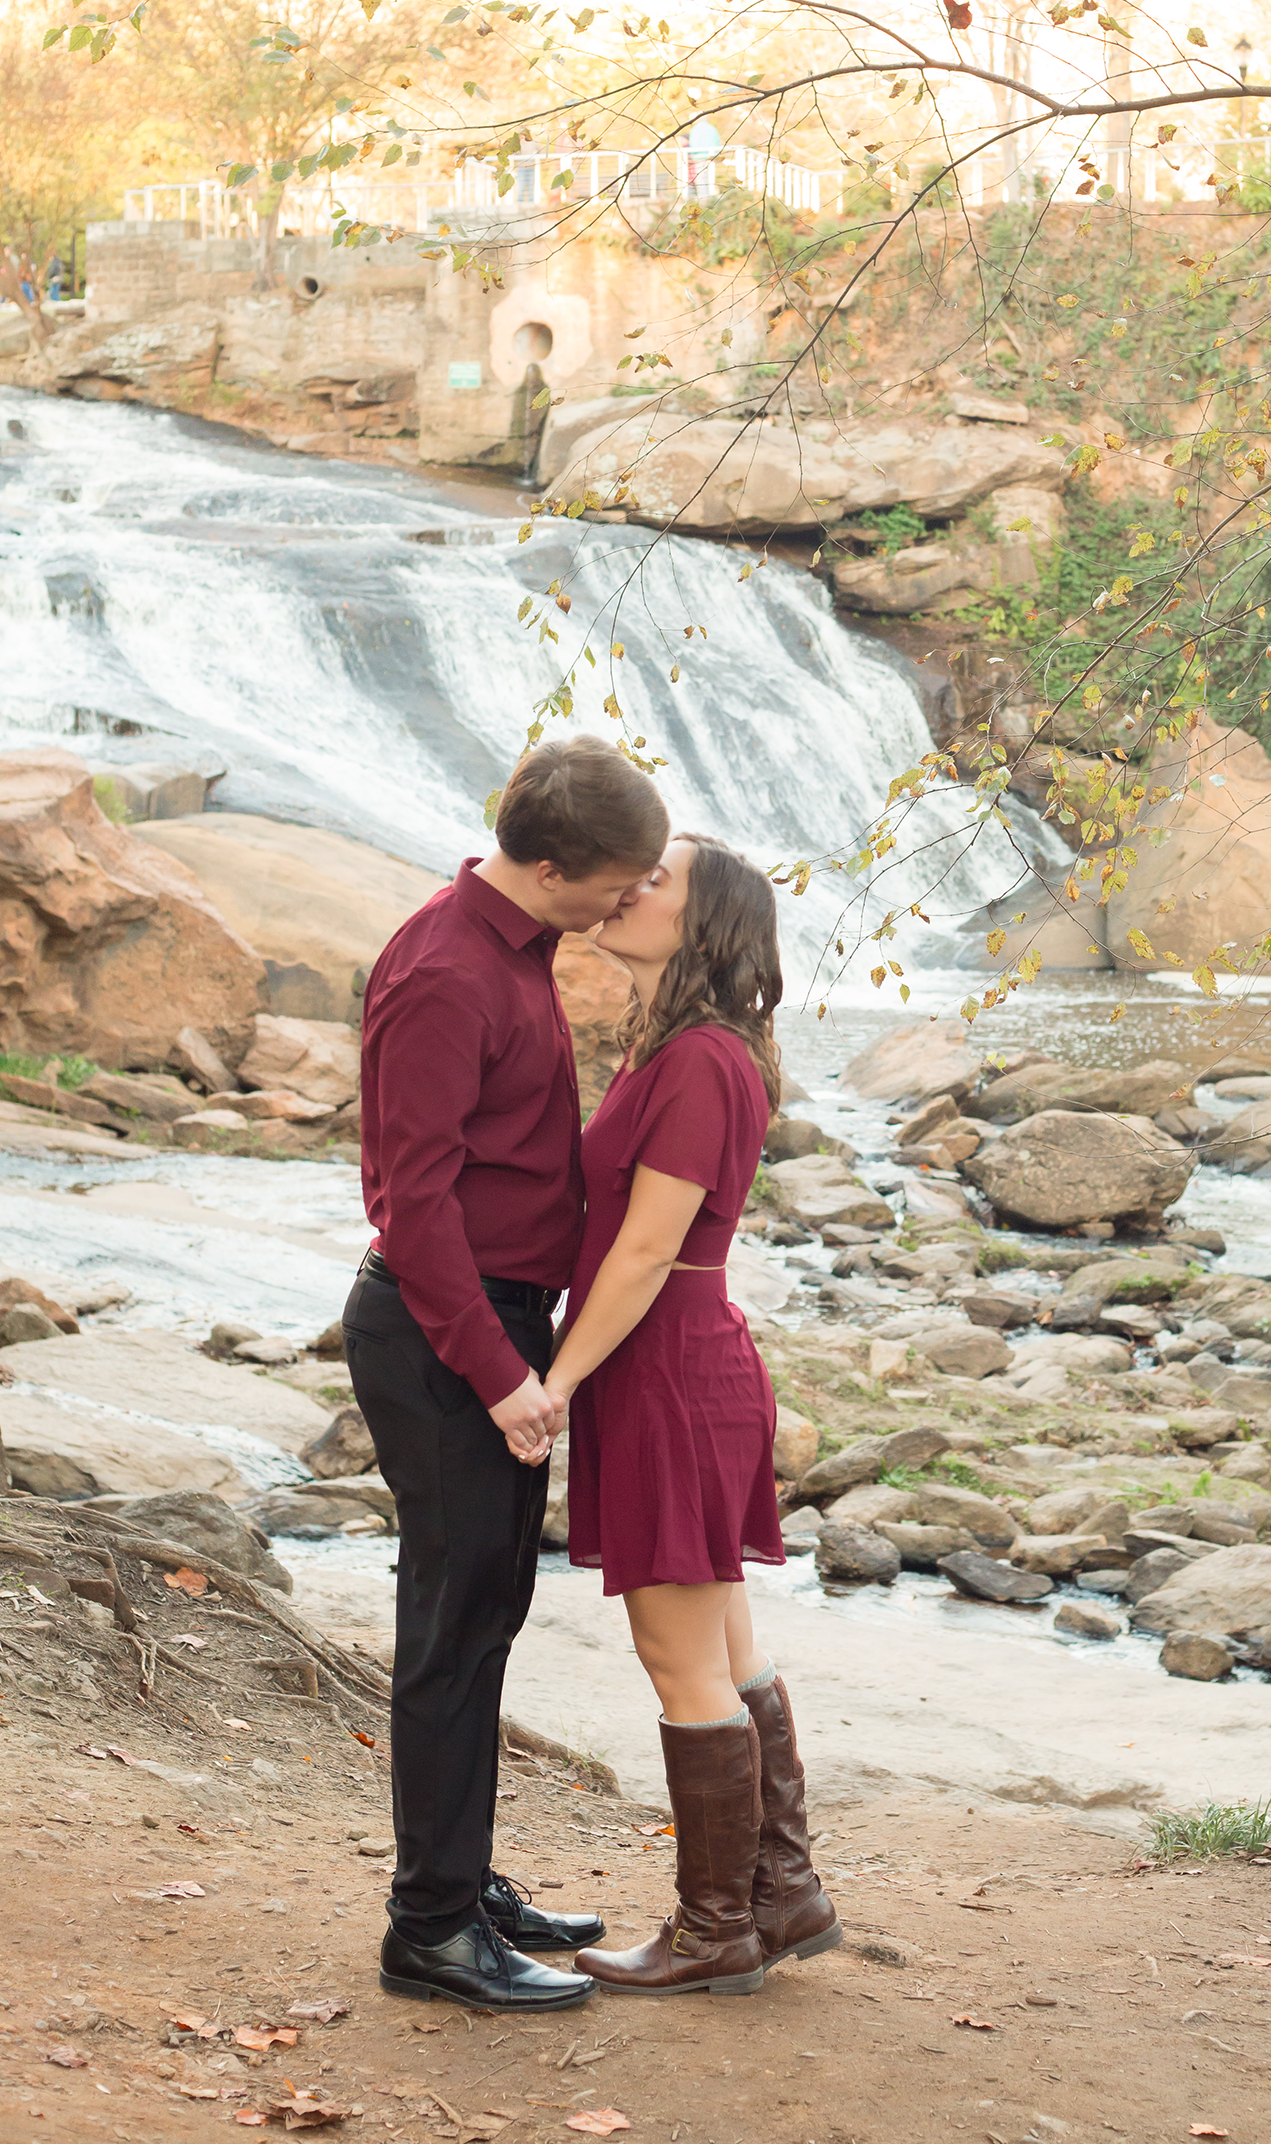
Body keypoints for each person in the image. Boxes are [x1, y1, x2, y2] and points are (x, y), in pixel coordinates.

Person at [343, 735, 668, 2015]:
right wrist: (498, 1374)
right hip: (442, 1339)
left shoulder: (522, 950)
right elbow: (407, 1204)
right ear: (547, 866)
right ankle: (426, 1931)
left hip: (493, 1328)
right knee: (449, 1632)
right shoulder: (441, 972)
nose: (630, 904)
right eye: (619, 884)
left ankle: (460, 1881)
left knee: (486, 1622)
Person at [537, 832, 841, 1997]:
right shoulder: (675, 1047)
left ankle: (716, 1930)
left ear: (703, 920)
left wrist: (556, 1382)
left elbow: (650, 1247)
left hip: (666, 1366)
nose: (629, 884)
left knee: (683, 1664)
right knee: (727, 1646)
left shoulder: (703, 1060)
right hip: (676, 1365)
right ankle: (783, 1892)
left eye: (656, 876)